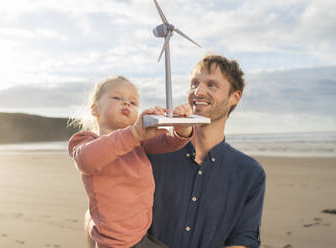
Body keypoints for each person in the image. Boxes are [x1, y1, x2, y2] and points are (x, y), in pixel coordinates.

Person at [148, 54, 266, 248]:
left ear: (234, 97)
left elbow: (244, 240)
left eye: (211, 84)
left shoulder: (250, 174)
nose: (198, 91)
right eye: (194, 83)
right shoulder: (155, 151)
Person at [68, 76, 193, 248]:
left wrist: (182, 127)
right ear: (95, 108)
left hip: (141, 235)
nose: (126, 103)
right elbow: (86, 160)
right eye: (117, 98)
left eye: (133, 102)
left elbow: (168, 142)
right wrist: (135, 133)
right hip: (114, 243)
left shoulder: (139, 143)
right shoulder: (86, 140)